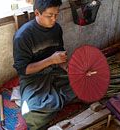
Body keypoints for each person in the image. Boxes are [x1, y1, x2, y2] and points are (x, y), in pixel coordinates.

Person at [13, 0, 76, 129]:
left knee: (86, 83)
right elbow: (23, 70)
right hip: (34, 78)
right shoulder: (23, 36)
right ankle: (60, 98)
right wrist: (51, 60)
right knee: (31, 114)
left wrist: (68, 68)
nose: (54, 19)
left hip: (55, 72)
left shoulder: (56, 29)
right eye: (49, 15)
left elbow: (60, 57)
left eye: (56, 14)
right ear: (37, 12)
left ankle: (55, 100)